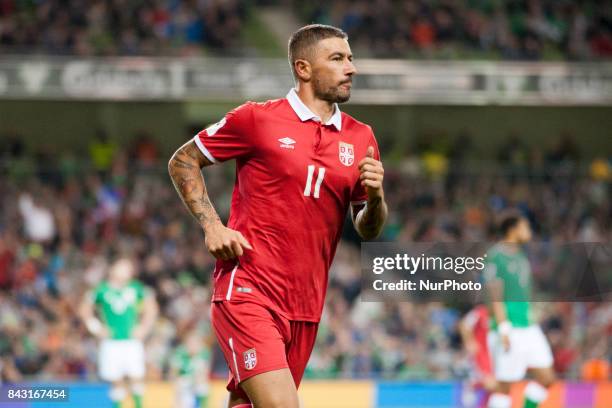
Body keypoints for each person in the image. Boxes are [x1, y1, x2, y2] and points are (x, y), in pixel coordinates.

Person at [168, 24, 387, 408]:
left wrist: (377, 196)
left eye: (350, 58)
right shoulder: (257, 119)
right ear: (303, 69)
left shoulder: (361, 137)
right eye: (337, 59)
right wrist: (212, 225)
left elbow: (366, 228)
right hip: (250, 290)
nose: (350, 68)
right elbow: (184, 159)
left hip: (306, 305)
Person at [484, 210, 556, 408]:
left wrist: (534, 310)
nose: (529, 231)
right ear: (512, 229)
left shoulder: (521, 256)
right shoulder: (495, 256)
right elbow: (495, 296)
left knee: (547, 378)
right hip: (510, 328)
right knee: (504, 386)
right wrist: (504, 328)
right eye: (525, 227)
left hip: (528, 327)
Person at [79, 258, 158, 408]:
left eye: (128, 268)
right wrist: (95, 327)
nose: (126, 271)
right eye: (122, 267)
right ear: (112, 269)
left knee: (137, 378)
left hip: (131, 341)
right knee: (116, 381)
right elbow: (84, 309)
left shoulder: (136, 288)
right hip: (111, 342)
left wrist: (144, 328)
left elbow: (151, 307)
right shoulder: (101, 289)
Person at [459, 304, 496, 408]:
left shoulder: (501, 316)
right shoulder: (480, 312)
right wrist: (469, 341)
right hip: (481, 357)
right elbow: (464, 324)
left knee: (494, 389)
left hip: (494, 358)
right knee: (491, 384)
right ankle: (471, 386)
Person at [170, 330, 213, 408]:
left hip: (197, 381)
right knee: (181, 387)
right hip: (183, 381)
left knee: (203, 387)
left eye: (195, 343)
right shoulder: (180, 353)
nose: (193, 346)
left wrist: (197, 380)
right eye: (190, 343)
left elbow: (205, 372)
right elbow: (174, 372)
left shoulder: (204, 353)